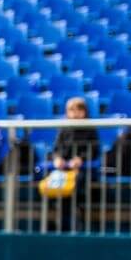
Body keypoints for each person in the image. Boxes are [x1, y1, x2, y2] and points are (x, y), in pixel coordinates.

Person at [51, 97, 99, 232]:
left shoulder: (90, 129)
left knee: (77, 184)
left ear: (85, 112)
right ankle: (60, 224)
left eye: (79, 110)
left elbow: (94, 150)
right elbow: (55, 149)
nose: (75, 114)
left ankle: (76, 224)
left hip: (83, 170)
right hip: (64, 169)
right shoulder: (64, 129)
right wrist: (57, 158)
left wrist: (81, 159)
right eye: (71, 110)